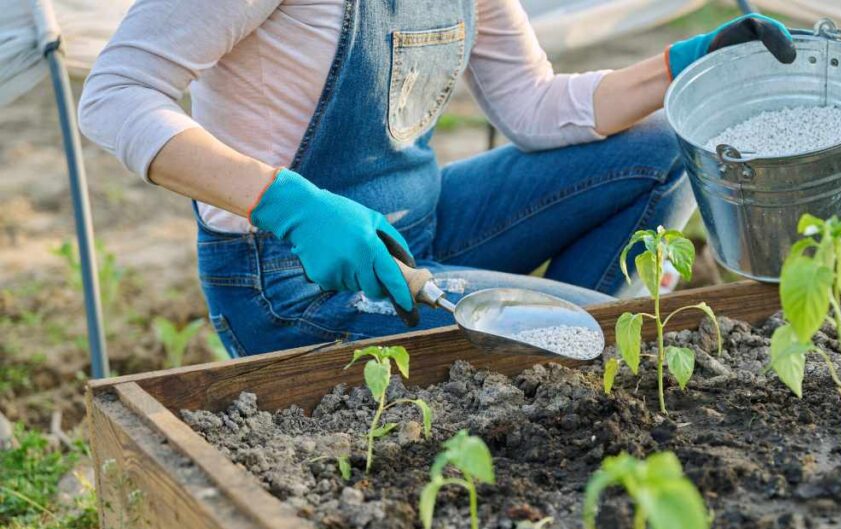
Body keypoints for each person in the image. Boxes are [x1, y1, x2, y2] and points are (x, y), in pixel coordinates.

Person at [79, 1, 794, 357]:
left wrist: (676, 67)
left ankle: (572, 348)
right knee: (562, 339)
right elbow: (114, 94)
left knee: (663, 146)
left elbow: (534, 105)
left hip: (421, 225)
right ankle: (564, 354)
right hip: (290, 276)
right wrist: (286, 203)